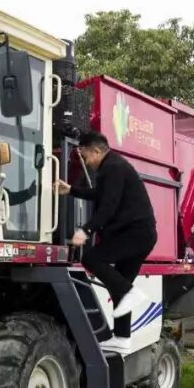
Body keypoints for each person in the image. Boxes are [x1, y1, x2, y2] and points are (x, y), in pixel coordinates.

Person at [56, 131, 157, 349]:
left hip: (135, 234)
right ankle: (122, 338)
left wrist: (86, 230)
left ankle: (130, 294)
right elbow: (99, 194)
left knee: (92, 258)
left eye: (85, 156)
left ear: (96, 151)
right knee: (119, 285)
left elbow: (108, 206)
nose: (85, 162)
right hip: (140, 235)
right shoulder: (114, 167)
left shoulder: (113, 167)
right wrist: (71, 190)